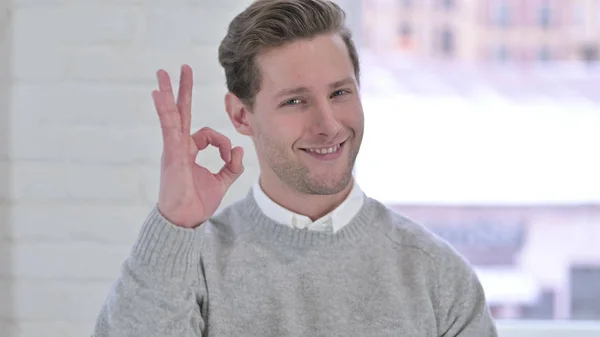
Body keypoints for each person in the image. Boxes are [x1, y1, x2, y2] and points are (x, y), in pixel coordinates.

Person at [92, 0, 498, 336]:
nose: (329, 125)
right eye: (295, 101)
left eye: (340, 92)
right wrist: (174, 224)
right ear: (241, 116)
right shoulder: (191, 265)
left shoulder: (434, 273)